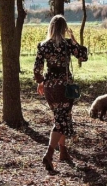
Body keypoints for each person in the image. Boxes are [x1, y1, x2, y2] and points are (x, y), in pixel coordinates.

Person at [33, 14, 88, 171]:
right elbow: (83, 56)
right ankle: (49, 154)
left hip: (50, 87)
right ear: (64, 28)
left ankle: (63, 151)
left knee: (62, 117)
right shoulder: (67, 44)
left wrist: (41, 82)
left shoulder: (43, 45)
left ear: (50, 27)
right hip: (64, 87)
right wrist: (74, 40)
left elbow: (37, 70)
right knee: (61, 119)